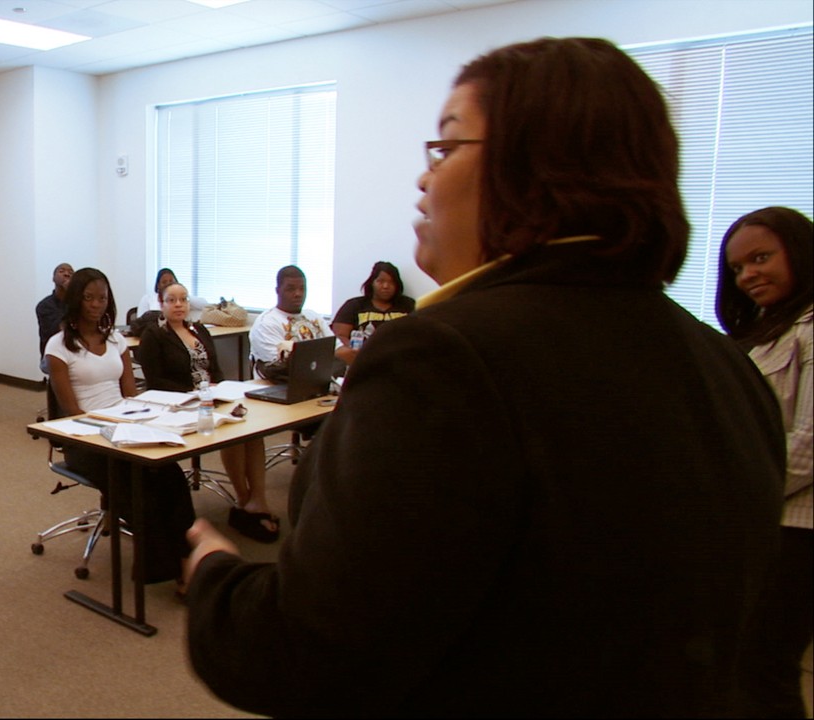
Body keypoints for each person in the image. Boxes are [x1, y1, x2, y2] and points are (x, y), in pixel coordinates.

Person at [183, 37, 786, 717]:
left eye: (444, 148)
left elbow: (302, 656)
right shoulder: (726, 365)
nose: (422, 179)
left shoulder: (442, 358)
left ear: (534, 170)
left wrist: (213, 575)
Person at [717, 206, 813, 719]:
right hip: (761, 526)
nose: (748, 275)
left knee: (766, 670)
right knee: (742, 669)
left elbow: (811, 442)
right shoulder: (765, 331)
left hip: (798, 532)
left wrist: (746, 487)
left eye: (760, 258)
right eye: (737, 268)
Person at [44, 267, 196, 586]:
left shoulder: (116, 340)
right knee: (139, 490)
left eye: (102, 298)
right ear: (75, 300)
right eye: (88, 298)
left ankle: (187, 556)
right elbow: (71, 413)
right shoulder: (58, 347)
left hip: (126, 428)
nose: (96, 304)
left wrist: (147, 421)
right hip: (85, 439)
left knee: (171, 476)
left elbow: (130, 395)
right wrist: (113, 428)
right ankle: (160, 568)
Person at [137, 282, 278, 543]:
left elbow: (216, 368)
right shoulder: (153, 335)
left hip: (213, 397)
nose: (179, 305)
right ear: (161, 303)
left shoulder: (199, 329)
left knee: (250, 431)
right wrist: (196, 391)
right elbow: (155, 380)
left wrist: (220, 388)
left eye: (183, 299)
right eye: (172, 300)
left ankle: (258, 497)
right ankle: (243, 498)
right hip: (181, 403)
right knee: (231, 432)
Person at [248, 265, 334, 381]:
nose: (298, 294)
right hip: (278, 386)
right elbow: (280, 367)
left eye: (302, 288)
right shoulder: (267, 323)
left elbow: (335, 350)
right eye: (291, 289)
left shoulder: (314, 316)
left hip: (316, 381)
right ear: (278, 291)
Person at [330, 260, 415, 366]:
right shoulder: (354, 305)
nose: (385, 286)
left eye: (391, 282)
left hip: (400, 362)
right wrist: (354, 353)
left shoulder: (408, 305)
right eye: (380, 281)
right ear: (372, 282)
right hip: (362, 362)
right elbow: (338, 336)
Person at [36, 262, 74, 362]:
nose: (67, 274)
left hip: (76, 352)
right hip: (53, 354)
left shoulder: (78, 302)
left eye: (71, 272)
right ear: (53, 278)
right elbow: (58, 330)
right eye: (62, 271)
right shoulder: (44, 305)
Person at [135, 268, 207, 318]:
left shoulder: (181, 300)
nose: (168, 284)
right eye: (164, 282)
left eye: (171, 281)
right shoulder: (147, 299)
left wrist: (183, 296)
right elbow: (140, 322)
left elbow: (204, 305)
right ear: (158, 285)